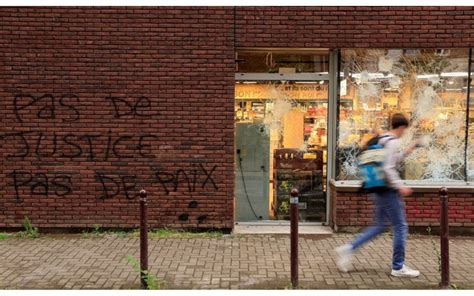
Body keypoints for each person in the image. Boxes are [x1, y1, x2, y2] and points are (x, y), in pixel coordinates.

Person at [335, 113, 420, 278]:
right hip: (388, 189)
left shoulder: (383, 138)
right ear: (402, 127)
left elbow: (387, 160)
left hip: (377, 187)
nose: (404, 132)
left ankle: (348, 249)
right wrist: (400, 186)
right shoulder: (394, 142)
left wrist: (407, 151)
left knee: (380, 225)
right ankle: (398, 266)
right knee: (401, 227)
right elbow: (389, 167)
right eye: (405, 129)